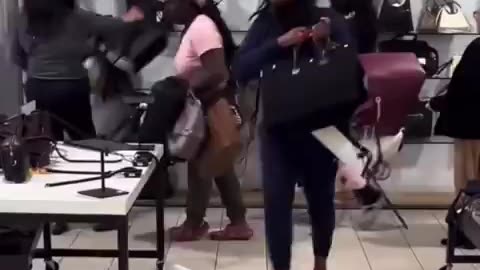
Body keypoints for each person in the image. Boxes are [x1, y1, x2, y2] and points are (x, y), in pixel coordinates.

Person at [233, 1, 367, 269]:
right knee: (277, 204)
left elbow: (353, 66)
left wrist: (326, 43)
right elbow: (240, 68)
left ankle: (321, 262)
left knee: (320, 199)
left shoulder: (328, 20)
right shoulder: (266, 24)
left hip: (322, 128)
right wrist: (279, 44)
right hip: (278, 131)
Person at [11, 0, 144, 235]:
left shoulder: (24, 18)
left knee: (46, 150)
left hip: (37, 87)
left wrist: (38, 68)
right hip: (71, 86)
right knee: (88, 146)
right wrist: (131, 18)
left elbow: (16, 55)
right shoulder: (75, 17)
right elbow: (115, 26)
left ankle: (56, 217)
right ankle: (103, 213)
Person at [163, 0, 253, 242]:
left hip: (210, 106)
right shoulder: (196, 25)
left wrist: (187, 89)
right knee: (219, 165)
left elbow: (218, 73)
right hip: (207, 104)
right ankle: (238, 223)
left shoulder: (202, 27)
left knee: (201, 163)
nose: (166, 6)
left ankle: (194, 223)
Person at [430, 37, 480, 250]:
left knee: (467, 181)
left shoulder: (478, 48)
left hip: (471, 126)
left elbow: (465, 87)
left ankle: (468, 231)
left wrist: (437, 102)